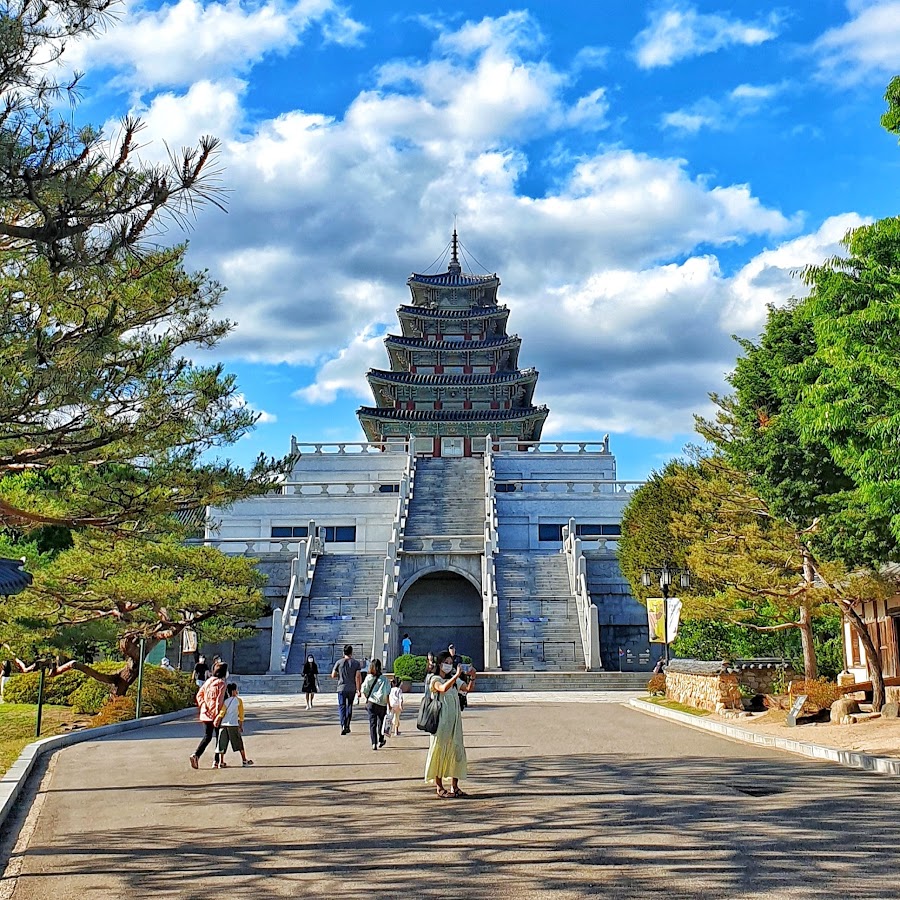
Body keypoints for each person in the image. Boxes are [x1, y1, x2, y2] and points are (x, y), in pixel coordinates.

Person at [424, 651, 469, 798]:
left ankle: (454, 786)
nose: (449, 666)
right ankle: (439, 787)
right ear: (440, 664)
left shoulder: (453, 680)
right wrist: (456, 676)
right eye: (447, 663)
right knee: (439, 750)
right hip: (441, 722)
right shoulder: (434, 679)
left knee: (456, 749)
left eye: (451, 663)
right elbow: (442, 689)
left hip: (454, 720)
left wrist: (472, 676)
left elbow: (467, 688)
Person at [190, 663, 228, 769]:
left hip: (205, 714)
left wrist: (203, 705)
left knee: (207, 736)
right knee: (219, 738)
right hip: (215, 715)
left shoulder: (208, 681)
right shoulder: (222, 683)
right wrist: (218, 715)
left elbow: (199, 695)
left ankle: (196, 755)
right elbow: (219, 701)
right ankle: (216, 761)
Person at [214, 683, 253, 768]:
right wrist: (241, 725)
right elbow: (241, 714)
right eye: (236, 690)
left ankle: (221, 762)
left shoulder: (226, 701)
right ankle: (244, 760)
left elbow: (222, 712)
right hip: (233, 725)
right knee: (239, 743)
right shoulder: (238, 701)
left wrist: (218, 719)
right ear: (234, 691)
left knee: (222, 744)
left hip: (224, 724)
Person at [360, 659, 391, 751]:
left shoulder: (368, 677)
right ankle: (381, 739)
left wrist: (367, 697)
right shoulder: (384, 679)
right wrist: (389, 705)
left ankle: (374, 743)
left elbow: (364, 690)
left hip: (371, 702)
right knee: (381, 722)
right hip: (382, 703)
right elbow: (388, 693)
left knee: (372, 723)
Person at [331, 644, 362, 735]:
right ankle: (347, 724)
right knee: (349, 706)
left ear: (343, 652)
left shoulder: (339, 662)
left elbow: (333, 675)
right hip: (351, 688)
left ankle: (343, 725)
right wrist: (358, 689)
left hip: (341, 687)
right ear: (351, 652)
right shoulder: (356, 663)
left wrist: (339, 674)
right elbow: (357, 677)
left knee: (342, 707)